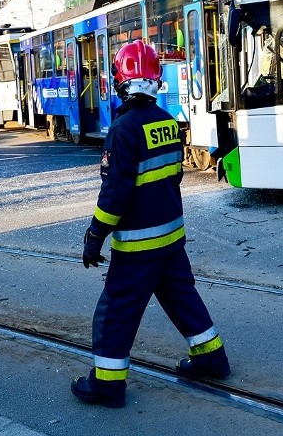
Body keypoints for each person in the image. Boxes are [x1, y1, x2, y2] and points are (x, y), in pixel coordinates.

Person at [71, 40, 231, 408]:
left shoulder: (123, 130)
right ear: (157, 79)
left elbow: (115, 195)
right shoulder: (169, 123)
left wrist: (94, 236)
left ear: (119, 81)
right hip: (171, 236)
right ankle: (212, 357)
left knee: (115, 312)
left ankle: (107, 386)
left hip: (139, 248)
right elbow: (171, 178)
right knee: (181, 297)